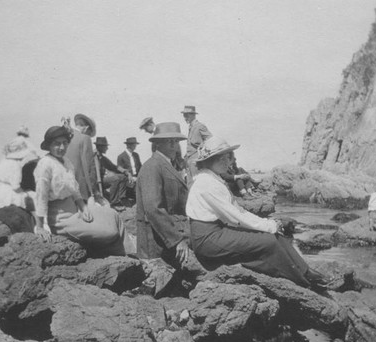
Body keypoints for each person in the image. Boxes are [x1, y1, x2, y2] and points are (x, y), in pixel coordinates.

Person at [186, 136, 329, 290]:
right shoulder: (207, 183)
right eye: (225, 158)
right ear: (215, 160)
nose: (229, 161)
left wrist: (270, 226)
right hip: (208, 240)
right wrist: (269, 225)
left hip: (215, 233)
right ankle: (302, 282)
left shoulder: (212, 179)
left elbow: (238, 212)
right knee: (268, 242)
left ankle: (305, 271)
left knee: (275, 235)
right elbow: (236, 216)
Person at [33, 126, 126, 255]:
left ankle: (127, 258)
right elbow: (40, 198)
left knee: (113, 215)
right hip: (61, 220)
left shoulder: (66, 162)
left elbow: (75, 191)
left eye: (65, 143)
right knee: (110, 231)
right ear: (49, 145)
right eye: (56, 144)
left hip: (76, 212)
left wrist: (83, 207)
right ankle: (118, 258)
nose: (61, 147)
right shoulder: (45, 164)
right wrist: (40, 227)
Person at [136, 122, 190, 266]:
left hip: (166, 237)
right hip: (155, 244)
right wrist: (176, 239)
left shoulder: (166, 164)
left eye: (176, 141)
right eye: (169, 141)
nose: (174, 145)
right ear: (158, 144)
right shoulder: (153, 166)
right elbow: (153, 208)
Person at [0, 139, 37, 212]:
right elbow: (16, 187)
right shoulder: (15, 165)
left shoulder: (3, 161)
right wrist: (26, 193)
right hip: (10, 196)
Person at [64, 113, 97, 201]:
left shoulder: (65, 137)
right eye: (90, 133)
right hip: (80, 190)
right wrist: (92, 191)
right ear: (86, 128)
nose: (89, 135)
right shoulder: (85, 138)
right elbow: (88, 168)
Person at [94, 137, 132, 206]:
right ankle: (114, 202)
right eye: (105, 147)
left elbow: (114, 167)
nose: (107, 148)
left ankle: (122, 198)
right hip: (95, 183)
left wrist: (125, 172)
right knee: (115, 179)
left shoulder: (102, 158)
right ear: (100, 147)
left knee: (123, 177)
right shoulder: (93, 157)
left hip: (101, 181)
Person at [181, 105, 212, 183]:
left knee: (197, 183)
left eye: (186, 115)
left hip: (196, 160)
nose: (185, 118)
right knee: (190, 183)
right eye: (184, 115)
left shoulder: (200, 126)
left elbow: (210, 139)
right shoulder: (191, 127)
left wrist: (202, 149)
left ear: (192, 115)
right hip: (189, 161)